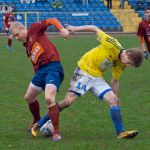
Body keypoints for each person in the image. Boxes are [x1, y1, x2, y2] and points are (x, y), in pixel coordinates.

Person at [31, 25, 144, 139]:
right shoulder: (112, 44)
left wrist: (114, 101)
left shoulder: (121, 64)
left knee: (115, 101)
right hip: (84, 71)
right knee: (67, 102)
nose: (127, 65)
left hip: (97, 77)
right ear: (127, 53)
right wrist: (75, 29)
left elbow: (115, 80)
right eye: (129, 62)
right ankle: (39, 124)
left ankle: (120, 133)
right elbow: (95, 28)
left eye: (130, 65)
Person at [9, 18, 69, 142]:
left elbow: (51, 20)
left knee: (49, 98)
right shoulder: (27, 46)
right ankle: (37, 120)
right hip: (40, 72)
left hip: (53, 67)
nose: (16, 38)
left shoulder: (34, 28)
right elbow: (35, 62)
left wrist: (61, 29)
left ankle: (56, 133)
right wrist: (37, 77)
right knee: (28, 97)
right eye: (14, 36)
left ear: (22, 29)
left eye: (17, 34)